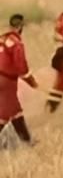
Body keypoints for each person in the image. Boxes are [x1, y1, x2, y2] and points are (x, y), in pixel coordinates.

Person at [0, 14, 37, 144]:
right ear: (20, 27)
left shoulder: (2, 39)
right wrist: (32, 82)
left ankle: (27, 140)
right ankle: (27, 141)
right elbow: (21, 67)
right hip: (6, 82)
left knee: (15, 111)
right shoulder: (17, 44)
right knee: (4, 115)